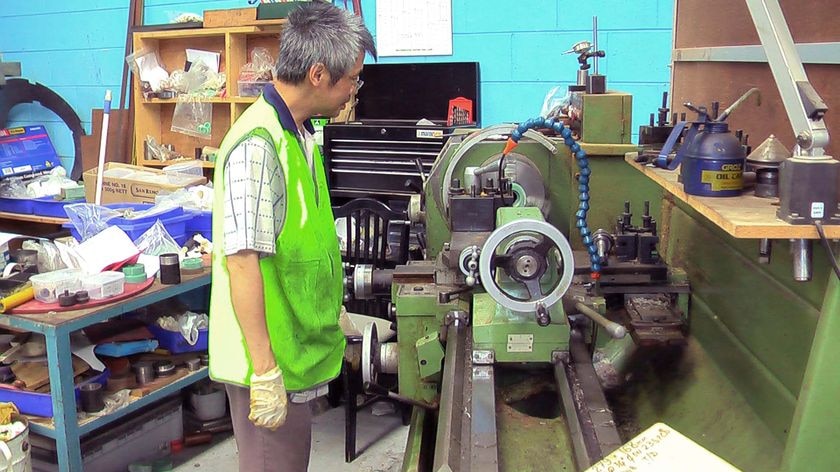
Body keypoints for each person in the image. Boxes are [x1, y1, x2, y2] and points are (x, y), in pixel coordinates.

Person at [208, 3, 376, 470]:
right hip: (263, 361)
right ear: (319, 74)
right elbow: (242, 262)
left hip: (293, 352)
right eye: (352, 80)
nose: (353, 92)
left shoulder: (299, 132)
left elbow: (302, 238)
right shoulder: (257, 146)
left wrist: (330, 306)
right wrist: (264, 373)